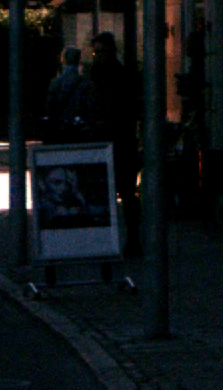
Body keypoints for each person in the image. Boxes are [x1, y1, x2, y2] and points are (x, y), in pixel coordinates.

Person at [87, 31, 141, 256]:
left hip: (120, 141)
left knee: (126, 192)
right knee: (108, 193)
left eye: (101, 51)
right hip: (106, 140)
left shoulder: (120, 75)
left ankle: (132, 239)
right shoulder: (96, 74)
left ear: (111, 51)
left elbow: (129, 107)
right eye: (96, 52)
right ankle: (110, 241)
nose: (98, 55)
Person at [41, 46, 92, 145]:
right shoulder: (85, 83)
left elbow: (49, 107)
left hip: (59, 129)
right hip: (78, 130)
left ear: (63, 60)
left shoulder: (55, 83)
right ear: (79, 61)